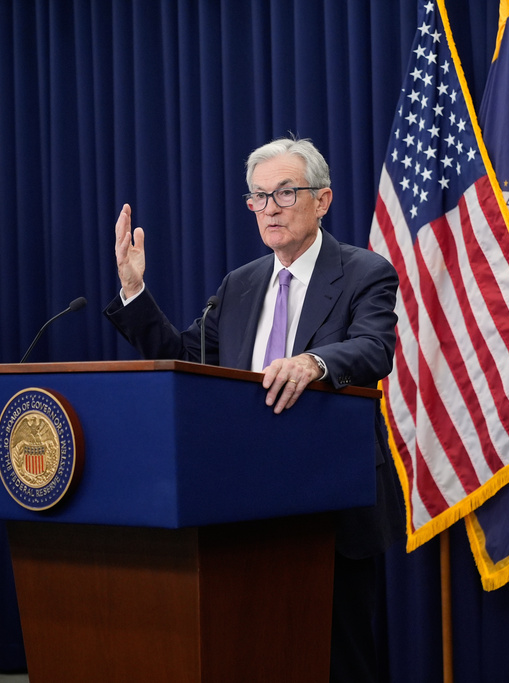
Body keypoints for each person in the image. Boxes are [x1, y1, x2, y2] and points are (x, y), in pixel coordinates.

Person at [105, 136, 405, 682]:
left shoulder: (365, 272)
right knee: (256, 653)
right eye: (259, 197)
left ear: (323, 200)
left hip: (330, 503)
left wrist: (313, 362)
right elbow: (184, 359)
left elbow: (373, 348)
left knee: (339, 660)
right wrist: (134, 291)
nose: (269, 208)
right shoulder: (239, 285)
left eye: (286, 193)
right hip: (245, 505)